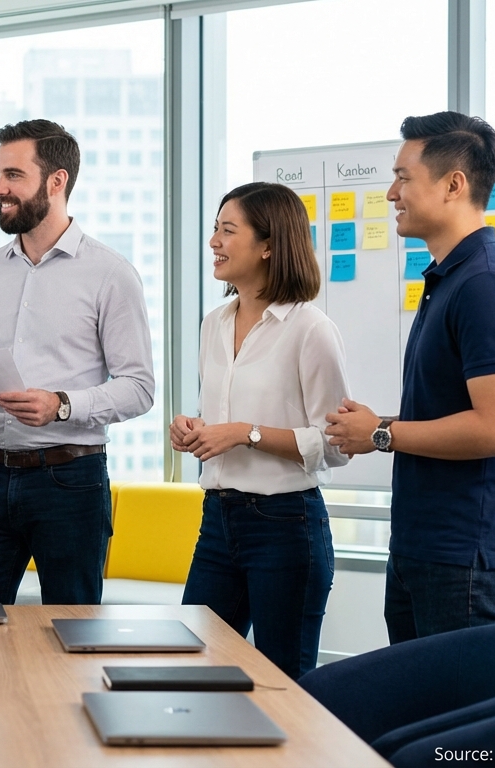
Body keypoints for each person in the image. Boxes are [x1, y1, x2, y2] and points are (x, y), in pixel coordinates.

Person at [326, 112, 495, 644]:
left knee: (456, 723)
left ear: (453, 184)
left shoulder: (485, 285)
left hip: (466, 556)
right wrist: (378, 427)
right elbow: (457, 410)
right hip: (426, 548)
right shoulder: (452, 277)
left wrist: (382, 434)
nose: (390, 193)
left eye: (403, 177)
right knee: (419, 718)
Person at [0, 119, 154, 605]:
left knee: (70, 639)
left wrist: (62, 404)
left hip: (69, 483)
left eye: (13, 175)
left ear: (57, 181)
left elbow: (139, 388)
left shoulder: (110, 274)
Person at [170, 182, 350, 679]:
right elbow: (224, 420)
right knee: (192, 669)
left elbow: (336, 445)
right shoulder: (214, 323)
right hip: (217, 521)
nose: (214, 242)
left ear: (269, 245)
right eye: (214, 229)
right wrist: (195, 430)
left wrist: (244, 433)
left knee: (282, 687)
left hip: (285, 526)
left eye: (228, 231)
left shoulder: (310, 329)